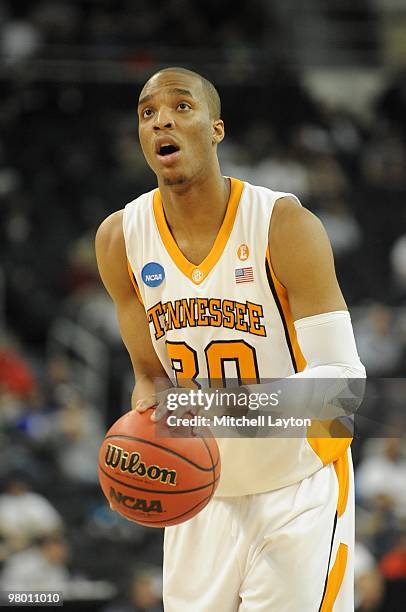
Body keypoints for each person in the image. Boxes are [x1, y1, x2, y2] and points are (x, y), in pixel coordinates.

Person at [95, 67, 366, 611]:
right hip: (199, 499)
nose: (162, 119)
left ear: (216, 129)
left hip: (297, 487)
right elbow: (149, 376)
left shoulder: (283, 225)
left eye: (181, 106)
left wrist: (219, 412)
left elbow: (344, 392)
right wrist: (146, 411)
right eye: (147, 113)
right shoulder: (121, 238)